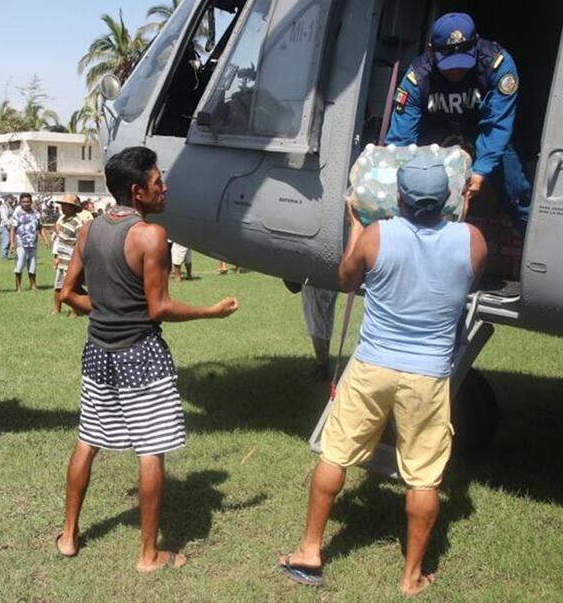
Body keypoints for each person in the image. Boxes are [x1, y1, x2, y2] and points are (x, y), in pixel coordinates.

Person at [278, 154, 486, 596]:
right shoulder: (472, 240)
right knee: (424, 476)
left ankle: (310, 551)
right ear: (449, 196)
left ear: (398, 197)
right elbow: (462, 267)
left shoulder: (376, 235)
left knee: (335, 455)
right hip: (427, 376)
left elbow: (347, 276)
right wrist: (461, 211)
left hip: (373, 366)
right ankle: (411, 578)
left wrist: (356, 226)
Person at [56, 146, 238, 571]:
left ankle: (68, 536)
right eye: (158, 183)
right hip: (141, 355)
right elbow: (159, 309)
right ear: (137, 191)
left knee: (88, 441)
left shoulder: (88, 231)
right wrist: (211, 311)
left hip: (97, 352)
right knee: (152, 451)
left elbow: (67, 293)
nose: (165, 188)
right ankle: (148, 554)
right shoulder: (150, 235)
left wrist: (103, 311)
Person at [386, 12, 531, 234]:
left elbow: (498, 123)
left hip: (488, 130)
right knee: (421, 189)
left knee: (515, 189)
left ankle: (524, 230)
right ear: (431, 50)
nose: (457, 70)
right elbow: (401, 140)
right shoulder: (417, 78)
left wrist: (481, 170)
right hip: (439, 134)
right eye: (449, 64)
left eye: (463, 62)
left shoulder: (497, 65)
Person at [52, 193, 84, 316]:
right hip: (62, 258)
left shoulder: (77, 222)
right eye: (62, 205)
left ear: (73, 208)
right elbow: (59, 240)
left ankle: (75, 311)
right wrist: (56, 256)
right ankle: (56, 309)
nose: (63, 207)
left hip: (71, 259)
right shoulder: (63, 220)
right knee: (58, 285)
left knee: (71, 287)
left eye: (66, 205)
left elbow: (80, 242)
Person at [9, 193, 46, 292]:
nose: (26, 204)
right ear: (20, 202)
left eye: (28, 202)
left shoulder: (36, 214)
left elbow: (40, 227)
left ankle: (33, 286)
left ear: (31, 202)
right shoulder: (17, 214)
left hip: (33, 244)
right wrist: (12, 243)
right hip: (21, 244)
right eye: (24, 202)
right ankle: (18, 287)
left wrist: (45, 239)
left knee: (33, 266)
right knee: (19, 266)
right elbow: (13, 229)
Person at [302, 285, 337, 383]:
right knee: (325, 323)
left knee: (316, 324)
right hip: (332, 281)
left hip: (315, 282)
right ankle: (324, 363)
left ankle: (322, 367)